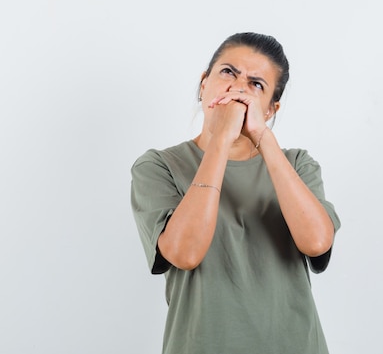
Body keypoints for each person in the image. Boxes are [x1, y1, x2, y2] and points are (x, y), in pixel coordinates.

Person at [131, 32, 341, 354]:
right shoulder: (159, 166)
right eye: (228, 72)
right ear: (204, 84)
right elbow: (184, 253)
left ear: (270, 109)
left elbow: (316, 242)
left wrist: (262, 139)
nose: (239, 88)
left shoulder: (297, 164)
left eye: (257, 84)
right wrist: (221, 140)